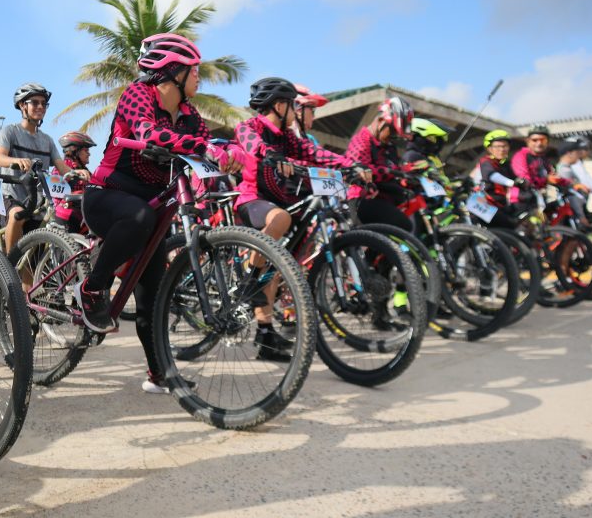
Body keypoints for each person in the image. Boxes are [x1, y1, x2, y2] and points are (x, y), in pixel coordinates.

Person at [77, 32, 242, 393]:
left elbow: (207, 144)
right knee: (139, 219)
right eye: (194, 70)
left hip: (151, 208)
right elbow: (149, 133)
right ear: (172, 72)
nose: (199, 77)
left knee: (151, 298)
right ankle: (92, 288)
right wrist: (205, 146)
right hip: (107, 195)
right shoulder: (138, 95)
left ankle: (159, 374)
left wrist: (230, 153)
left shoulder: (189, 116)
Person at [234, 77, 371, 360]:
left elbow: (316, 153)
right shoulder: (252, 127)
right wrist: (269, 153)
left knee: (275, 265)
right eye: (293, 108)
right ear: (281, 105)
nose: (297, 113)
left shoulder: (289, 139)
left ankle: (265, 333)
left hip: (283, 204)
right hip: (252, 200)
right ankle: (249, 279)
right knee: (280, 220)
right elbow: (249, 141)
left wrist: (352, 165)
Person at [0, 83, 81, 254]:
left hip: (38, 201)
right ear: (22, 105)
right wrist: (18, 161)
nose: (40, 107)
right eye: (35, 102)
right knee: (16, 216)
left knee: (32, 257)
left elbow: (62, 167)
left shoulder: (47, 140)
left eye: (43, 103)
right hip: (12, 195)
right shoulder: (9, 131)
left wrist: (77, 172)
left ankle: (28, 280)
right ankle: (9, 268)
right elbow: (0, 158)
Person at [345, 97, 416, 231]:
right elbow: (360, 170)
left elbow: (395, 169)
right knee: (403, 224)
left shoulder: (389, 146)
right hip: (361, 199)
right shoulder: (362, 140)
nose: (394, 137)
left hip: (385, 199)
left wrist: (406, 174)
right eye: (393, 131)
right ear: (381, 121)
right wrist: (390, 172)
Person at [475, 129, 529, 229]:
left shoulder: (505, 165)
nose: (502, 149)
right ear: (489, 149)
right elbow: (492, 176)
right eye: (497, 146)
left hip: (500, 205)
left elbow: (517, 178)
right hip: (486, 204)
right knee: (508, 225)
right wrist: (513, 183)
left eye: (505, 146)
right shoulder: (486, 162)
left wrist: (526, 184)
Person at [510, 124, 568, 207]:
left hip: (538, 200)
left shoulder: (543, 159)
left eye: (543, 140)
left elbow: (553, 176)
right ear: (527, 141)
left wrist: (571, 184)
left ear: (547, 142)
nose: (539, 143)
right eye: (535, 140)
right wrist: (546, 179)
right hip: (522, 200)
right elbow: (525, 179)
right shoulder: (521, 156)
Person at [555, 137, 592, 226]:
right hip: (573, 210)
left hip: (574, 209)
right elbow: (572, 194)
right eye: (577, 151)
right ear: (569, 153)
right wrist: (581, 215)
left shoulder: (567, 167)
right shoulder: (569, 168)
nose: (580, 154)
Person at [51, 131, 95, 233]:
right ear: (75, 150)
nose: (89, 153)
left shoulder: (86, 171)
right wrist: (73, 175)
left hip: (83, 216)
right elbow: (55, 191)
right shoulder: (62, 167)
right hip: (66, 217)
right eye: (86, 150)